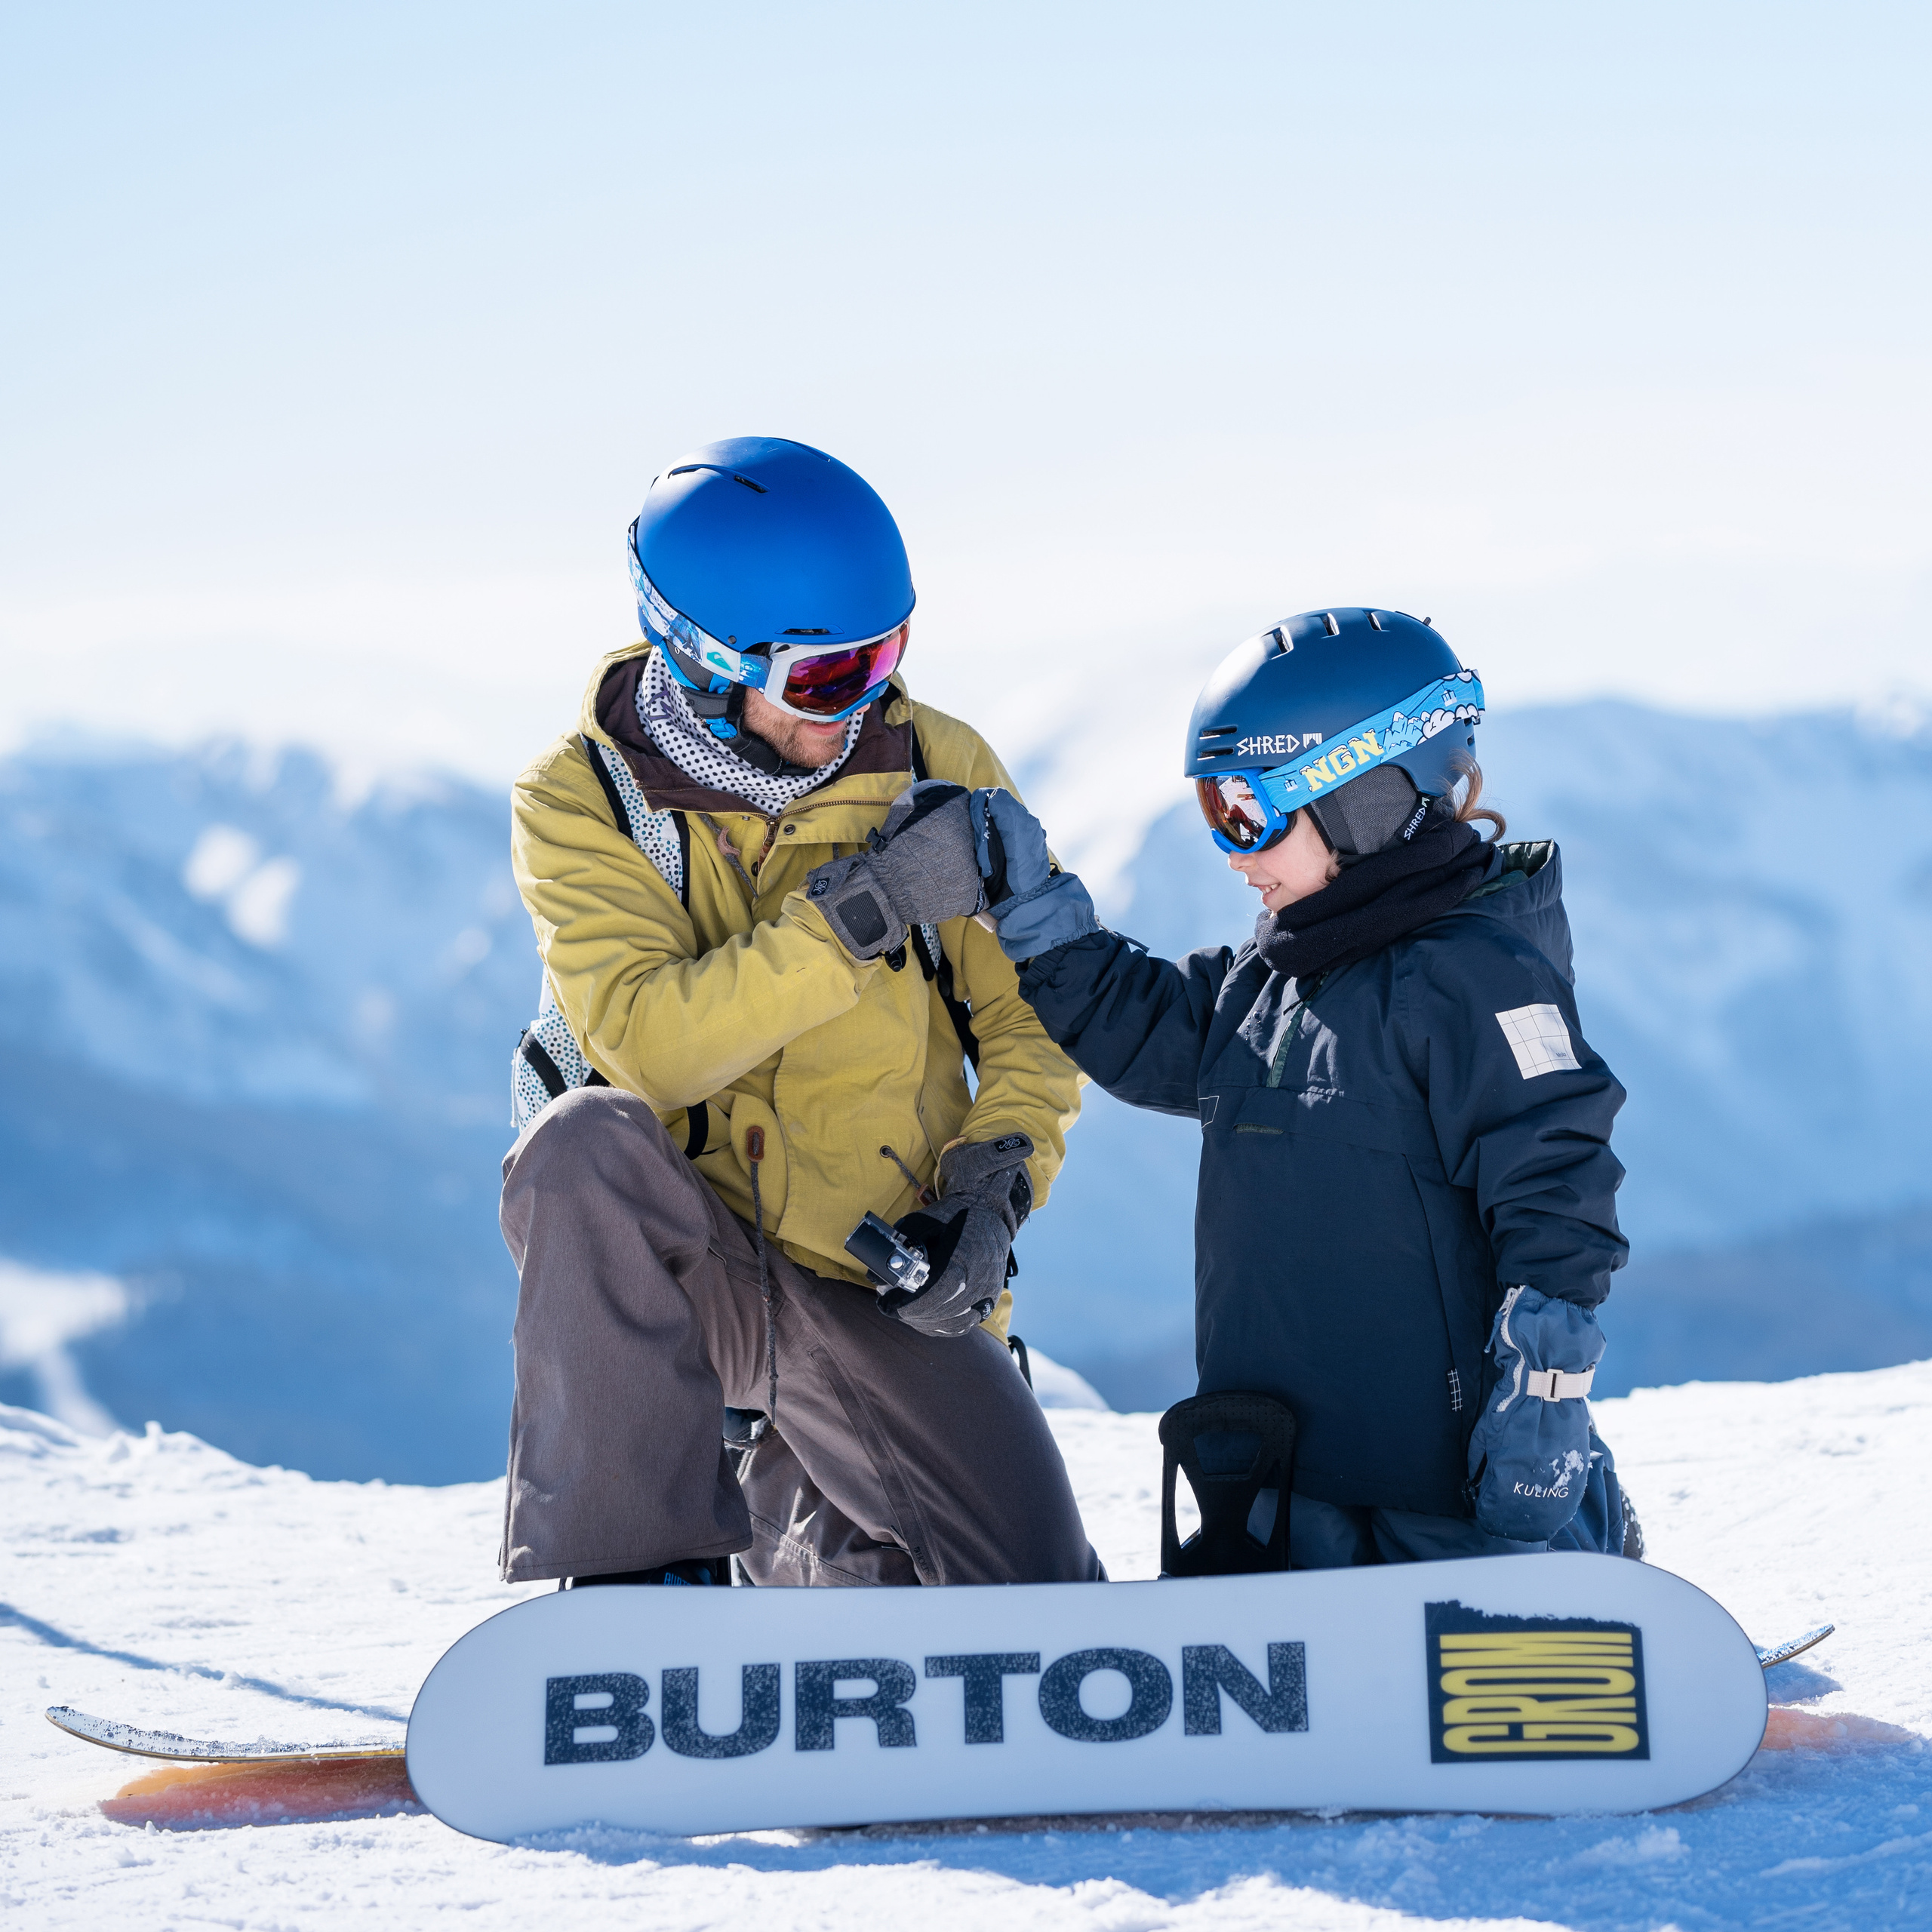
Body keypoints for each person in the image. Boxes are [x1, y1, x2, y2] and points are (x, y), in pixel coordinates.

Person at [498, 435, 1099, 1589]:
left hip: (879, 1274)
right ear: (707, 664)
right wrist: (860, 915)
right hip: (697, 1275)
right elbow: (649, 1046)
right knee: (579, 1148)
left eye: (888, 653)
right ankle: (635, 1591)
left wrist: (993, 1185)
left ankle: (815, 1555)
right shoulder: (585, 802)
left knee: (1028, 1598)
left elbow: (1032, 1021)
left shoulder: (939, 766)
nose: (866, 698)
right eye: (826, 677)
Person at [961, 607, 1639, 1568]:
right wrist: (1030, 906)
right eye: (1214, 814)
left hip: (1437, 1497)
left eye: (1248, 810)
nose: (1234, 849)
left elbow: (1556, 1175)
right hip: (1279, 1476)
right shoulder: (1276, 976)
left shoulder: (1473, 975)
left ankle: (1587, 1570)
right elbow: (1142, 1024)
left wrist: (1544, 1387)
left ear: (1362, 795)